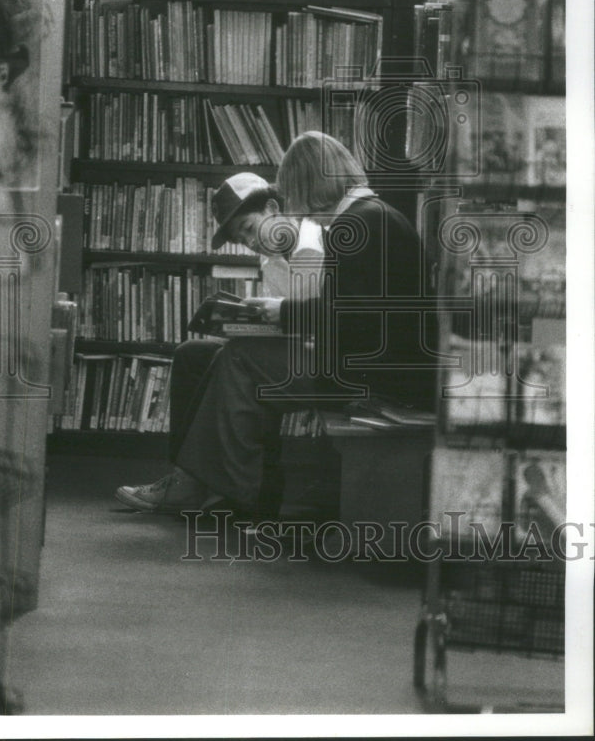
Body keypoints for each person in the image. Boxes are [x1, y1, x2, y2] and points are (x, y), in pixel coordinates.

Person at [116, 133, 437, 518]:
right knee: (201, 356)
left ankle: (233, 494)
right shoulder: (365, 219)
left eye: (297, 196)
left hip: (368, 374)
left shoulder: (354, 227)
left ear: (312, 186)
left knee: (239, 359)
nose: (299, 210)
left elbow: (352, 319)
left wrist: (282, 313)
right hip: (361, 361)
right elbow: (354, 315)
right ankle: (202, 482)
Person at [116, 171, 322, 514]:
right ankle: (184, 477)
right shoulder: (272, 259)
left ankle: (233, 493)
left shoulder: (312, 246)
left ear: (273, 207)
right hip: (298, 350)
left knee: (239, 356)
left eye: (250, 229)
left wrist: (275, 319)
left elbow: (321, 322)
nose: (250, 242)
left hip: (327, 358)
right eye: (242, 239)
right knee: (192, 354)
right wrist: (246, 322)